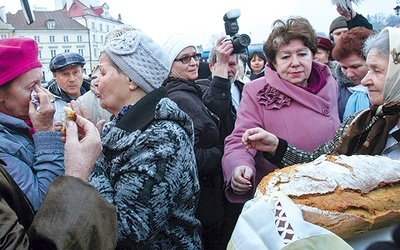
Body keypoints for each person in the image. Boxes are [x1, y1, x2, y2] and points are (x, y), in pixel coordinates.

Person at [87, 30, 202, 249]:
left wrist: (91, 158)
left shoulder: (161, 137)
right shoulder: (122, 123)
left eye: (102, 72)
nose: (96, 82)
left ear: (131, 79)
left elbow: (127, 230)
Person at [242, 26, 400, 168]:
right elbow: (322, 163)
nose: (365, 81)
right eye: (285, 57)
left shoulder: (330, 84)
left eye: (376, 70)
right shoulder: (361, 123)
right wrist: (277, 147)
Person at [222, 17, 341, 204]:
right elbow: (241, 139)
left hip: (332, 187)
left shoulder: (330, 83)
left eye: (302, 54)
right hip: (285, 197)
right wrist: (240, 166)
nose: (295, 63)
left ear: (312, 54)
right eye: (285, 57)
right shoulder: (256, 90)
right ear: (273, 63)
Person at [0, 115, 117, 249]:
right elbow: (39, 206)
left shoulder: (18, 127)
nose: (43, 94)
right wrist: (77, 174)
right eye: (29, 91)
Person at [163, 33, 232, 249]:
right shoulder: (177, 99)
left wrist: (221, 64)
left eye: (195, 56)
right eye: (184, 58)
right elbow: (190, 157)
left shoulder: (191, 90)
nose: (193, 62)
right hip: (202, 200)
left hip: (211, 195)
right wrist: (225, 151)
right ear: (169, 63)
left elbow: (216, 108)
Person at [0, 37, 64, 211]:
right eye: (31, 87)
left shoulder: (22, 124)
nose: (43, 94)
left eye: (40, 83)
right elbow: (45, 206)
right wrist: (46, 133)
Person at [195, 42, 244, 248]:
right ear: (213, 66)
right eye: (226, 63)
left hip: (244, 167)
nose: (230, 69)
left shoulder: (245, 89)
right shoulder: (203, 90)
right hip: (218, 172)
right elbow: (217, 108)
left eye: (234, 64)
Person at [332, 26, 374, 121]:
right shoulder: (334, 89)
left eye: (355, 67)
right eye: (344, 67)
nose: (349, 74)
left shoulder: (388, 89)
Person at [47, 52, 91, 121]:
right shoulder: (48, 103)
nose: (72, 79)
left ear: (82, 71)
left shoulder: (96, 94)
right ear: (55, 76)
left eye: (75, 72)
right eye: (65, 74)